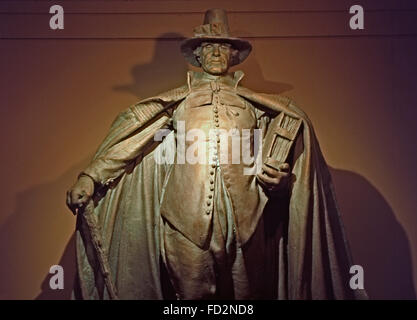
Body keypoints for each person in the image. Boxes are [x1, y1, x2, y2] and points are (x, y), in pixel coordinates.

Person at [67, 8, 366, 300]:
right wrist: (91, 177)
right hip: (184, 221)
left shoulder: (258, 108)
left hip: (247, 221)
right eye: (208, 45)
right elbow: (132, 138)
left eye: (223, 46)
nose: (215, 51)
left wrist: (283, 184)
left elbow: (281, 153)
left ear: (233, 56)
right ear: (197, 54)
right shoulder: (177, 103)